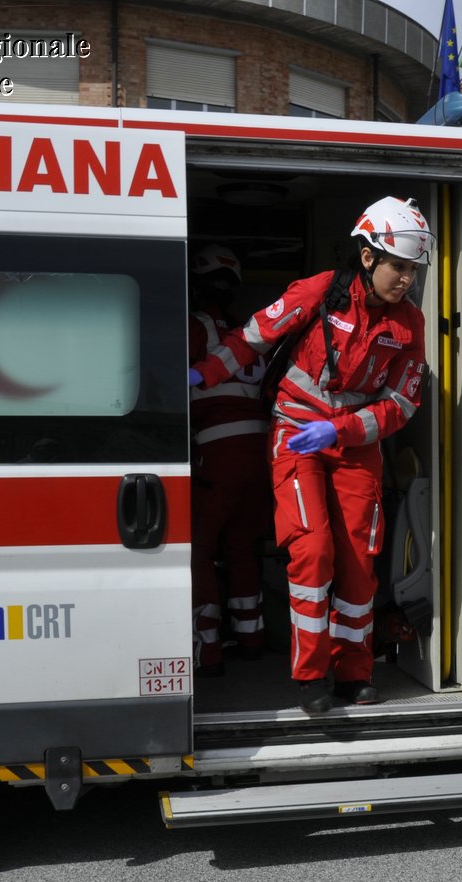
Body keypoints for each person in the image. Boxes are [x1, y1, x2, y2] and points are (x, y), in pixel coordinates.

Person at [194, 196, 429, 714]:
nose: (406, 279)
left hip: (352, 445)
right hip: (296, 433)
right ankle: (311, 676)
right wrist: (201, 375)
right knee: (313, 549)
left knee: (359, 564)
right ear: (367, 257)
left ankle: (354, 674)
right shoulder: (321, 291)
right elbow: (252, 338)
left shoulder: (409, 324)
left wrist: (339, 430)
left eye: (413, 269)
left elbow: (402, 404)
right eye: (398, 266)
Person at [185, 243, 270, 676]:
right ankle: (252, 637)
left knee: (196, 548)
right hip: (259, 452)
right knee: (241, 546)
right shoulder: (249, 333)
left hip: (216, 452)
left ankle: (208, 648)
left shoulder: (195, 327)